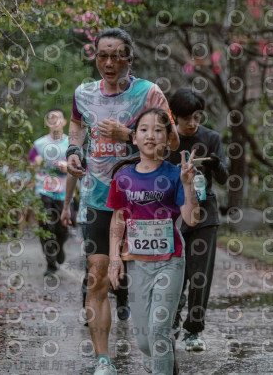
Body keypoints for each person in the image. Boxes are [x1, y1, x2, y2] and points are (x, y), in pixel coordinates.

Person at [61, 28, 180, 375]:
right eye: (103, 55)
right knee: (97, 275)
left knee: (146, 276)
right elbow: (76, 124)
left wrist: (127, 134)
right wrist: (73, 150)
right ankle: (103, 360)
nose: (109, 63)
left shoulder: (149, 93)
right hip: (98, 197)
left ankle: (158, 347)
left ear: (130, 58)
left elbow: (172, 141)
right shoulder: (83, 93)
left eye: (116, 56)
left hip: (144, 200)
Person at [107, 107, 199, 375]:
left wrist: (188, 184)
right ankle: (163, 358)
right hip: (136, 263)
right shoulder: (123, 177)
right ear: (134, 138)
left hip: (170, 261)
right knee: (145, 341)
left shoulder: (175, 174)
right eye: (144, 130)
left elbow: (192, 219)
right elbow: (118, 219)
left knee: (158, 330)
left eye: (158, 130)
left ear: (168, 138)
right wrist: (114, 258)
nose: (150, 135)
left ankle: (162, 361)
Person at [166, 88, 228, 352]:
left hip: (205, 214)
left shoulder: (211, 138)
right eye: (186, 118)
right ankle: (171, 318)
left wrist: (215, 164)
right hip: (172, 214)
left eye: (197, 117)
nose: (192, 123)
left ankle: (194, 330)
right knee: (174, 272)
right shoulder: (166, 140)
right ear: (175, 117)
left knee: (200, 274)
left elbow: (224, 178)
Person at [29, 108, 70, 276]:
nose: (54, 121)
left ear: (64, 122)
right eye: (51, 118)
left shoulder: (71, 143)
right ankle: (51, 263)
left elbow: (81, 166)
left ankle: (59, 247)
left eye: (58, 118)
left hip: (64, 193)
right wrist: (35, 163)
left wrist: (67, 167)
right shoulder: (39, 144)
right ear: (47, 122)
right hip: (43, 192)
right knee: (46, 228)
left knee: (62, 229)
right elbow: (31, 163)